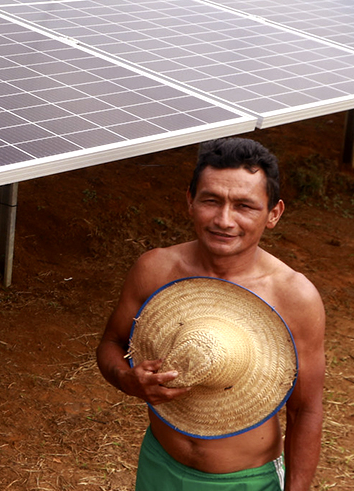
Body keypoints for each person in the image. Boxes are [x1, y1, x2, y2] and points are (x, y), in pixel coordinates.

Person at [96, 137, 325, 491]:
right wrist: (125, 378)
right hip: (160, 464)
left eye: (244, 206)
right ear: (190, 200)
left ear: (274, 213)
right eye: (211, 200)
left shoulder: (293, 296)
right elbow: (112, 342)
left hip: (246, 481)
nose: (224, 220)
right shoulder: (156, 269)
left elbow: (305, 410)